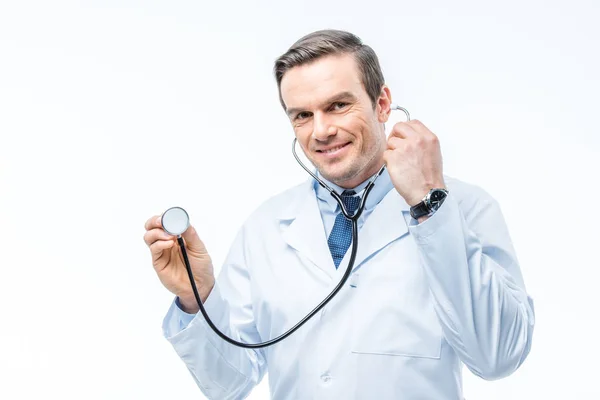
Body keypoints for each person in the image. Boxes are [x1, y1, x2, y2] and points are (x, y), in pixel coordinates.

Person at [143, 29, 535, 399]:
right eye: (301, 115)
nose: (321, 130)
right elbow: (229, 384)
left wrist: (428, 205)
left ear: (382, 104)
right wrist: (197, 297)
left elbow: (498, 357)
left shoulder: (463, 207)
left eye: (338, 105)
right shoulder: (267, 226)